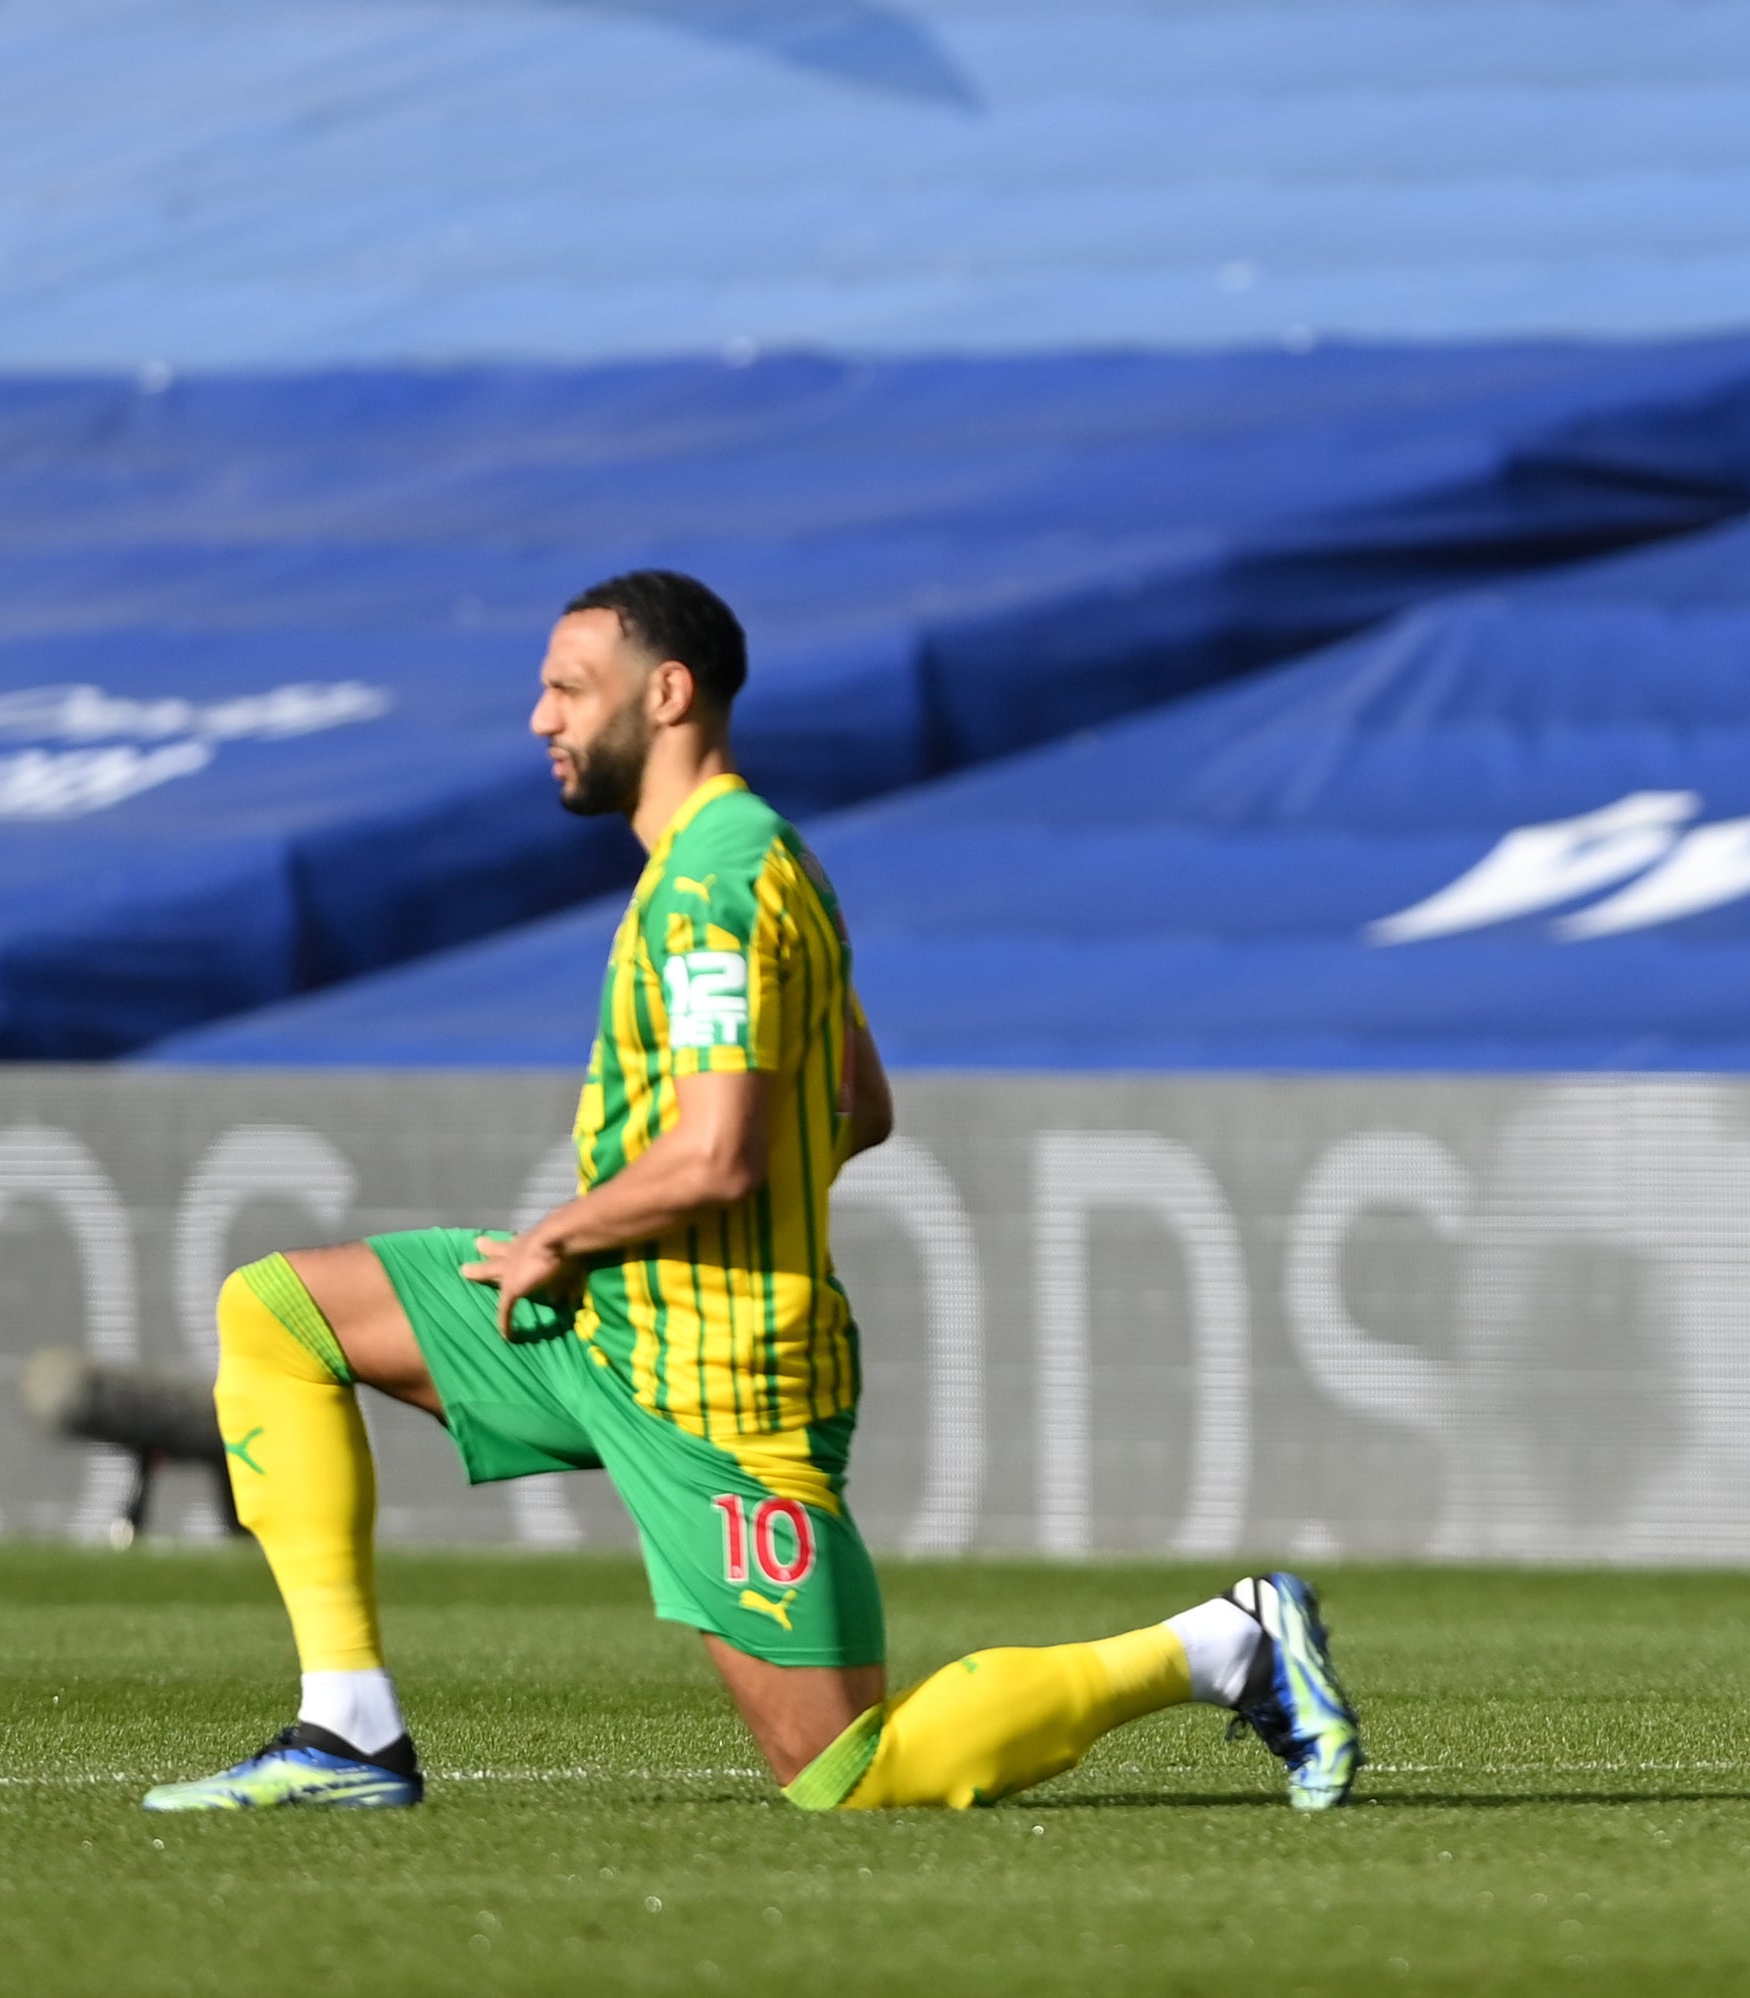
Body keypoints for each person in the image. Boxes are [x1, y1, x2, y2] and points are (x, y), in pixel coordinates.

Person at [144, 570, 1360, 1812]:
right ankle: (348, 1734)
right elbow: (860, 1106)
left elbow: (722, 1151)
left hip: (720, 1383)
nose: (539, 719)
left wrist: (570, 1232)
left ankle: (1225, 1644)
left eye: (568, 687)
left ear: (666, 694)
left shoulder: (721, 876)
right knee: (278, 1314)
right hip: (610, 1324)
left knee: (848, 1776)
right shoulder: (739, 863)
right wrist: (631, 1240)